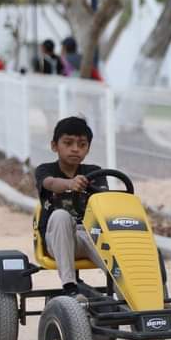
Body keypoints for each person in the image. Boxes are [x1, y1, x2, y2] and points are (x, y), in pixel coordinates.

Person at [35, 116, 107, 300]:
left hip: (91, 237)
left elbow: (104, 202)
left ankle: (144, 297)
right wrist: (70, 183)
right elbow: (50, 183)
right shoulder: (45, 170)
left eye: (82, 145)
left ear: (88, 148)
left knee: (133, 241)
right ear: (54, 146)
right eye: (68, 143)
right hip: (58, 238)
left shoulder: (94, 172)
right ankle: (70, 287)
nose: (75, 149)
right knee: (60, 216)